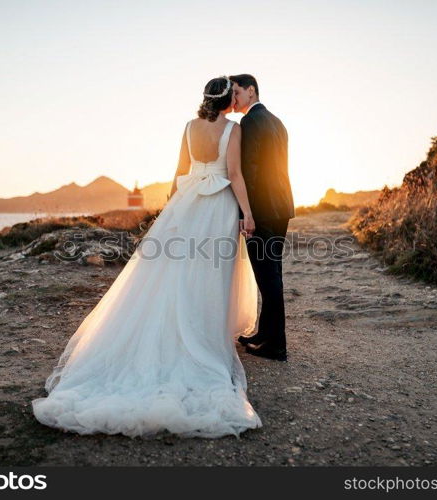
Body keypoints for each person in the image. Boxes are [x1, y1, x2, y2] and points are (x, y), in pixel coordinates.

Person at [31, 76, 262, 438]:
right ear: (226, 101)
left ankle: (174, 327)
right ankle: (201, 336)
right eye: (232, 95)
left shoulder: (188, 127)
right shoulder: (232, 130)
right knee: (210, 273)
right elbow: (234, 174)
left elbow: (178, 174)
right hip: (216, 207)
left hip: (186, 204)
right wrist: (247, 213)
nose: (236, 99)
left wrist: (173, 209)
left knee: (173, 273)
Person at [230, 74, 295, 362]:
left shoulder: (250, 122)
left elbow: (252, 171)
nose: (234, 98)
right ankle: (264, 333)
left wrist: (248, 213)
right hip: (281, 207)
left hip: (264, 210)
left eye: (236, 92)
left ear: (251, 91)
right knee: (271, 273)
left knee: (268, 277)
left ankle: (276, 345)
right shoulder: (276, 121)